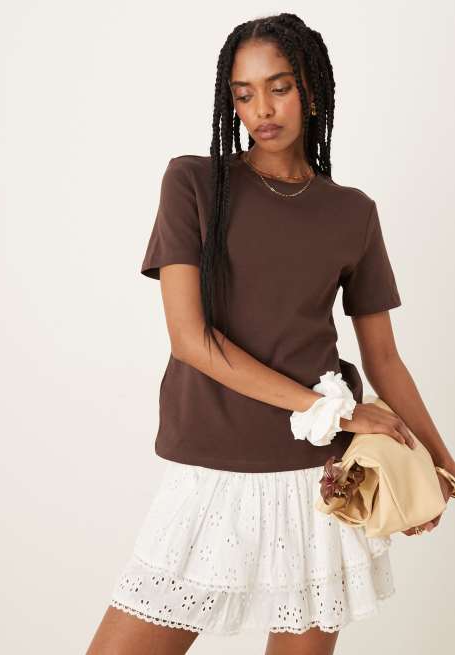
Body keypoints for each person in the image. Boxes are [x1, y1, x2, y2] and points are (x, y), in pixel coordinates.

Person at [86, 12, 455, 655]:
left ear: (311, 91)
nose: (261, 109)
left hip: (319, 479)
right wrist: (332, 411)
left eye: (279, 88)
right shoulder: (194, 182)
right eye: (243, 94)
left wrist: (441, 465)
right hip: (214, 470)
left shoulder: (352, 212)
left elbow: (385, 359)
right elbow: (190, 340)